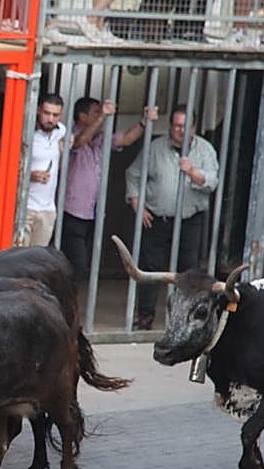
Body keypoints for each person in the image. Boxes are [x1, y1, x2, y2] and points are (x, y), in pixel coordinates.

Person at [124, 105, 219, 329]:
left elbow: (213, 182)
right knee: (150, 269)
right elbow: (133, 174)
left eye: (185, 126)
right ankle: (144, 317)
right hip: (157, 218)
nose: (180, 130)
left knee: (188, 272)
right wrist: (137, 202)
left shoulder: (205, 150)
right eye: (176, 125)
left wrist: (194, 173)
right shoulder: (155, 148)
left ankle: (184, 318)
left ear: (194, 127)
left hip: (190, 220)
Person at [62, 98, 158, 281]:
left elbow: (126, 139)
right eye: (96, 113)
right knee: (76, 263)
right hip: (71, 211)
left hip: (93, 212)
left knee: (81, 262)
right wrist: (104, 116)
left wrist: (144, 122)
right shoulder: (70, 136)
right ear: (82, 117)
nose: (102, 118)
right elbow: (80, 142)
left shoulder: (102, 139)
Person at [23, 93, 66, 247]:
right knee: (17, 261)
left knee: (37, 261)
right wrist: (29, 176)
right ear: (38, 111)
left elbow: (73, 143)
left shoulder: (60, 131)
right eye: (47, 113)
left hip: (48, 209)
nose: (50, 119)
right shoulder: (26, 135)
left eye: (55, 115)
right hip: (25, 208)